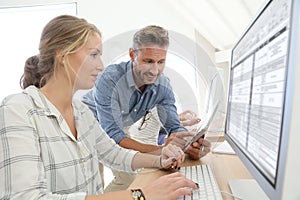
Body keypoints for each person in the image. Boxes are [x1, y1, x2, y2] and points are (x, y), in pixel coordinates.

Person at [0, 15, 199, 200]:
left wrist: (160, 159)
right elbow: (26, 197)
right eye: (93, 55)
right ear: (63, 55)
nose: (101, 65)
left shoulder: (81, 112)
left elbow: (114, 154)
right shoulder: (18, 111)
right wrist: (140, 196)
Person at [82, 25, 211, 192]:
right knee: (93, 184)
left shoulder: (163, 85)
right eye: (148, 61)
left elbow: (174, 127)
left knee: (129, 177)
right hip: (89, 123)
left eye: (161, 62)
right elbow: (113, 134)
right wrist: (161, 151)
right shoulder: (109, 79)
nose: (155, 70)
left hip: (120, 125)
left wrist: (189, 146)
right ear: (132, 55)